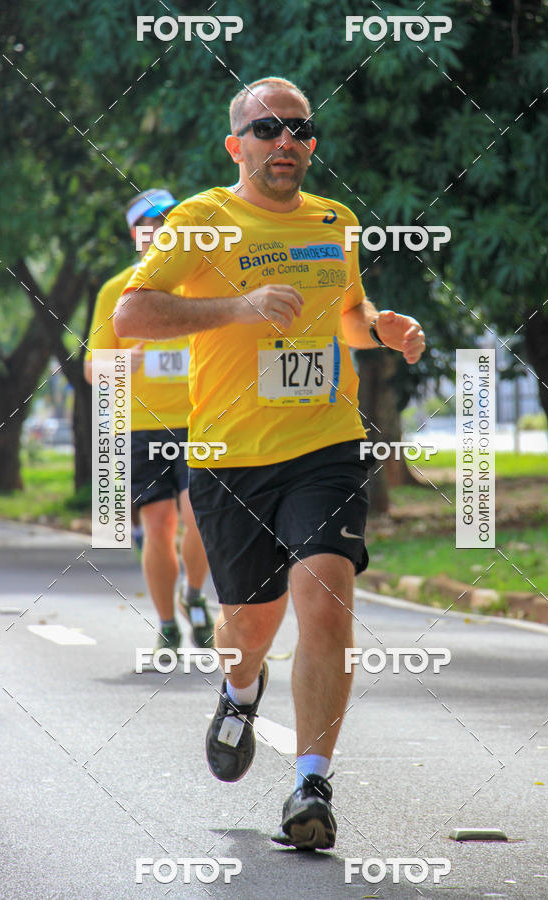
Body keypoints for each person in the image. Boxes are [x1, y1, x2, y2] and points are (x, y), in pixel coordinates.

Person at [114, 78, 425, 850]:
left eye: (298, 128)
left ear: (311, 144)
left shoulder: (336, 221)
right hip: (229, 459)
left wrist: (382, 328)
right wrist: (236, 310)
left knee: (326, 595)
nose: (284, 140)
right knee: (248, 624)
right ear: (237, 145)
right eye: (266, 129)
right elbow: (131, 314)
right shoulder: (199, 223)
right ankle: (239, 687)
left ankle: (311, 784)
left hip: (324, 445)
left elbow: (347, 318)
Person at [84, 188, 213, 651]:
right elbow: (92, 370)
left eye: (168, 220)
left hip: (199, 420)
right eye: (149, 224)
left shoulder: (202, 280)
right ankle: (166, 624)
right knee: (157, 525)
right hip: (138, 425)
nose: (160, 230)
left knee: (198, 515)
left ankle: (194, 595)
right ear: (136, 235)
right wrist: (124, 365)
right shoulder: (116, 291)